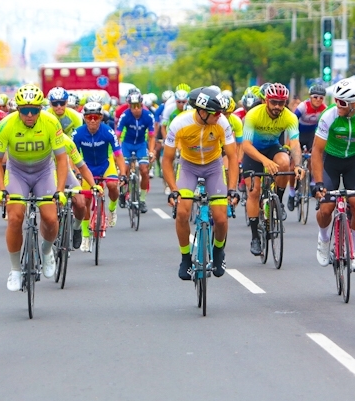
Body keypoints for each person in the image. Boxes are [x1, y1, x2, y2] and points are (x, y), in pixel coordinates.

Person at [0, 84, 69, 292]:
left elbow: (62, 159)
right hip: (17, 173)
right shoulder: (5, 125)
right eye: (25, 110)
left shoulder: (51, 122)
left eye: (35, 110)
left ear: (41, 109)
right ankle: (15, 269)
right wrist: (1, 189)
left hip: (44, 172)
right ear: (18, 109)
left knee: (50, 218)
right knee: (15, 218)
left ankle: (47, 250)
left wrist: (60, 190)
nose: (30, 115)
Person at [162, 87, 238, 279]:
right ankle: (185, 258)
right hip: (188, 167)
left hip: (214, 167)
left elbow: (232, 156)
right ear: (202, 112)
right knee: (182, 212)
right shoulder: (179, 123)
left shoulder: (222, 123)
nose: (220, 116)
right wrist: (173, 190)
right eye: (216, 113)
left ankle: (218, 251)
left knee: (221, 218)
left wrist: (232, 189)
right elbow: (167, 160)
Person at [312, 78, 355, 271]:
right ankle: (324, 239)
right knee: (326, 208)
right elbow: (317, 151)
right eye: (336, 100)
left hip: (354, 161)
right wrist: (318, 183)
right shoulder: (328, 115)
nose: (337, 105)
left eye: (342, 102)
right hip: (330, 161)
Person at [240, 82, 303, 257]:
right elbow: (246, 145)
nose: (277, 106)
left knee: (284, 162)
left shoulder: (290, 117)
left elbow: (295, 143)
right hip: (253, 152)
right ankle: (255, 237)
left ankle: (278, 202)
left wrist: (298, 165)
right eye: (274, 102)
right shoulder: (253, 114)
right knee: (254, 192)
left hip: (272, 148)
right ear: (266, 100)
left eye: (281, 103)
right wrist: (265, 162)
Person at [72, 101, 126, 249]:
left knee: (112, 185)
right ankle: (85, 236)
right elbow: (72, 157)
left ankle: (112, 209)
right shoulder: (78, 133)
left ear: (101, 118)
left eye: (96, 117)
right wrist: (77, 173)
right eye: (89, 117)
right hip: (86, 167)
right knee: (85, 201)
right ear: (84, 118)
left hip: (105, 164)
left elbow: (118, 154)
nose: (92, 120)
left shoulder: (108, 132)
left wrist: (123, 174)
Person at [115, 92, 155, 214]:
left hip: (141, 145)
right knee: (124, 169)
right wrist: (117, 151)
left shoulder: (148, 116)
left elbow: (152, 136)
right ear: (129, 106)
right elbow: (118, 134)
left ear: (142, 105)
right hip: (127, 145)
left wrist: (151, 151)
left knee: (144, 170)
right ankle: (123, 193)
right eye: (133, 106)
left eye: (138, 106)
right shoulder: (125, 116)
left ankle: (142, 200)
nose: (136, 109)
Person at [290, 84, 328, 211]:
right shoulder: (303, 107)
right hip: (299, 134)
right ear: (310, 97)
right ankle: (291, 193)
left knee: (315, 157)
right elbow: (292, 122)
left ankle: (312, 182)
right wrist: (290, 143)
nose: (318, 100)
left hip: (312, 134)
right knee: (293, 164)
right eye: (315, 97)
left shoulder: (324, 109)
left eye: (321, 98)